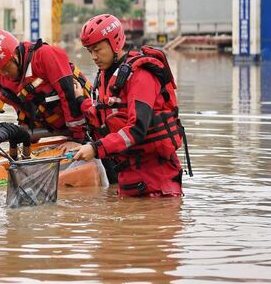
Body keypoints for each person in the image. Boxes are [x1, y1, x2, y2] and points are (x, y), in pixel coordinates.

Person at [73, 14, 190, 197]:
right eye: (90, 52)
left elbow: (137, 129)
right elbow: (103, 114)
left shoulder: (140, 76)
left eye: (98, 49)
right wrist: (81, 100)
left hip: (157, 183)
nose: (94, 57)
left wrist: (96, 148)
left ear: (115, 43)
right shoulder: (106, 76)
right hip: (128, 179)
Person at [0, 29, 92, 150]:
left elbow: (68, 94)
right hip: (48, 125)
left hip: (82, 122)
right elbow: (21, 107)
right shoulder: (3, 79)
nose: (4, 74)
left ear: (16, 55)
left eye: (6, 68)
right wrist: (26, 136)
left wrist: (77, 138)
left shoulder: (44, 56)